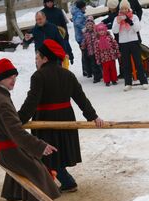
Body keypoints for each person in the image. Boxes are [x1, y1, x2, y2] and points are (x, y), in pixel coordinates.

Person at [17, 39, 104, 193]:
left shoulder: (38, 76)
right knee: (56, 152)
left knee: (45, 153)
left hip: (46, 119)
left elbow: (31, 102)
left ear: (45, 58)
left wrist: (18, 120)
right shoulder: (68, 74)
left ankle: (62, 183)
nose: (36, 61)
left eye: (37, 57)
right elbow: (80, 98)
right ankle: (64, 182)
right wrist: (93, 116)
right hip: (65, 118)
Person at [0, 58, 61, 201]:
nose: (13, 80)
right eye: (9, 77)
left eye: (15, 77)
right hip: (9, 150)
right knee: (37, 174)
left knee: (37, 170)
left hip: (8, 149)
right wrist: (40, 147)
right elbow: (16, 132)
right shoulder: (1, 100)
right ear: (0, 79)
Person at [112, 0, 148, 91]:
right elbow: (115, 31)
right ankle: (128, 83)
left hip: (134, 41)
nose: (124, 10)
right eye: (122, 8)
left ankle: (143, 81)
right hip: (123, 43)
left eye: (125, 8)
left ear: (128, 8)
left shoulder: (134, 17)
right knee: (126, 64)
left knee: (138, 62)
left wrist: (129, 21)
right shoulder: (117, 18)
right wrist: (118, 23)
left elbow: (137, 28)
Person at [82, 16, 102, 83]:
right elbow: (84, 41)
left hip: (98, 51)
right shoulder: (85, 34)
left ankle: (101, 74)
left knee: (99, 64)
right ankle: (96, 77)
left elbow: (100, 39)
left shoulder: (96, 32)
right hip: (91, 52)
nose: (89, 26)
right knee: (93, 65)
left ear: (93, 25)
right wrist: (83, 46)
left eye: (90, 24)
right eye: (87, 25)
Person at [70, 0, 88, 76]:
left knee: (84, 53)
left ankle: (86, 70)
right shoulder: (79, 14)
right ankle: (86, 70)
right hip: (82, 37)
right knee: (85, 54)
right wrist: (84, 28)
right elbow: (77, 23)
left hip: (79, 37)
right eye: (84, 7)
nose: (85, 8)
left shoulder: (76, 13)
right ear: (81, 7)